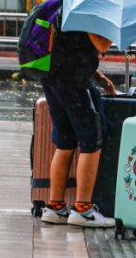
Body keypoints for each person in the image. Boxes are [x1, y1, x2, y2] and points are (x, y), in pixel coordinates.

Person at [40, 28, 117, 227]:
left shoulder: (70, 4)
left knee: (65, 143)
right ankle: (83, 210)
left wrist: (95, 74)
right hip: (75, 84)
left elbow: (70, 46)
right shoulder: (91, 7)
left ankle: (55, 207)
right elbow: (101, 44)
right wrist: (113, 27)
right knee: (92, 141)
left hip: (52, 80)